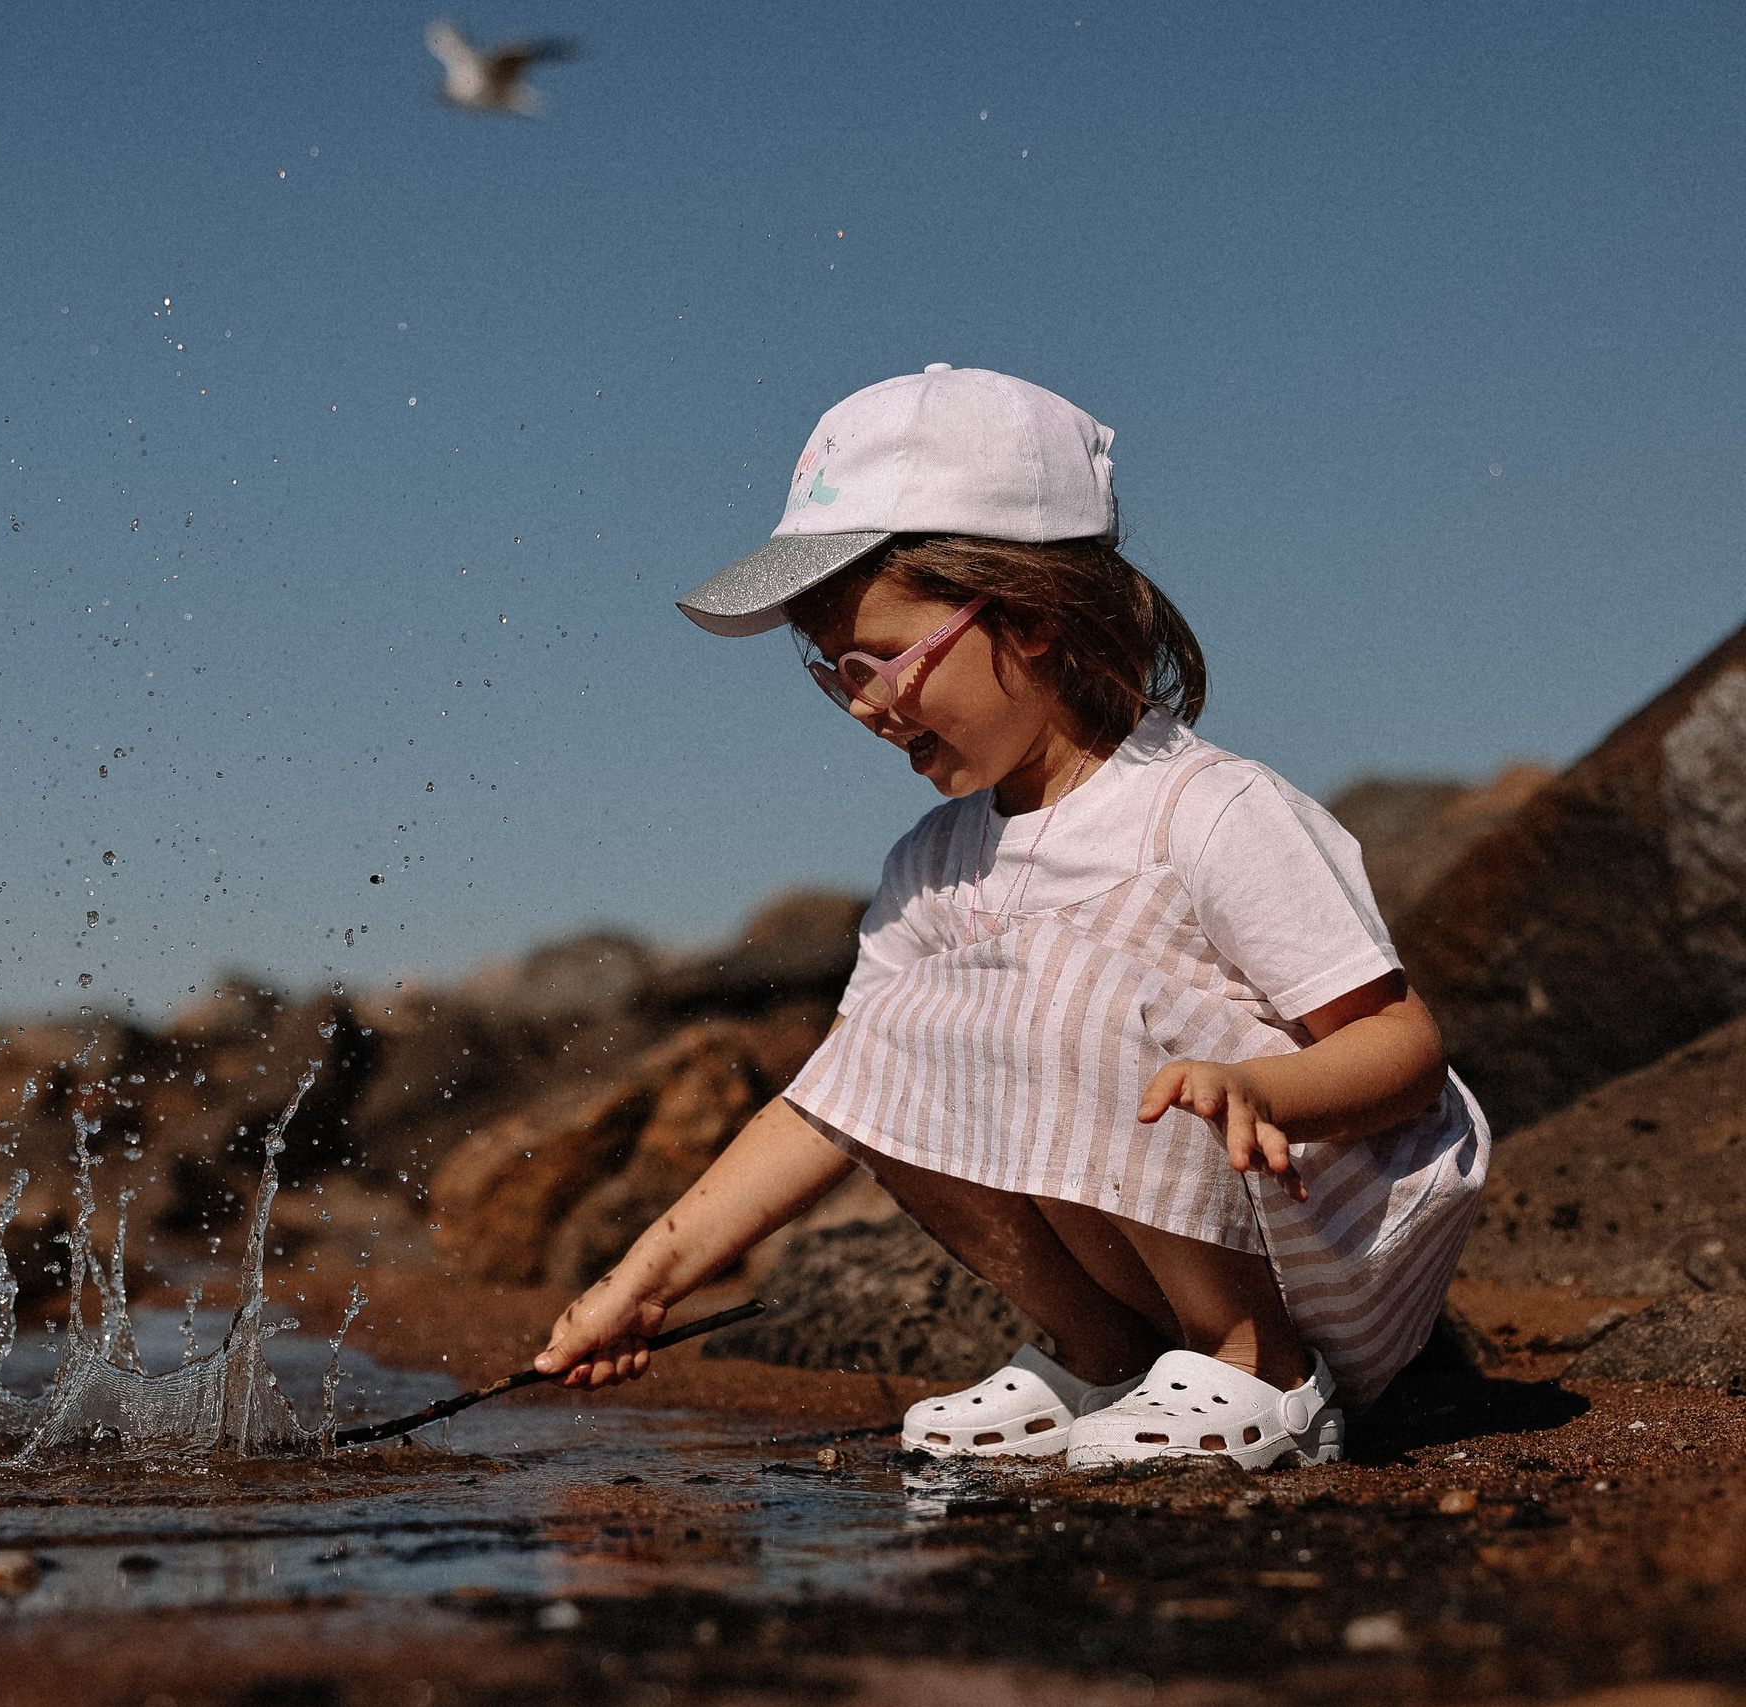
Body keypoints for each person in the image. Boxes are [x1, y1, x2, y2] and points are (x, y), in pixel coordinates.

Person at [532, 365, 1487, 1469]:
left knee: (1067, 981)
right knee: (890, 1033)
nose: (861, 704)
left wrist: (1263, 1089)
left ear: (1031, 616)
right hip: (1157, 1259)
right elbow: (833, 1101)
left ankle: (1259, 1371)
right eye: (832, 672)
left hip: (1326, 1236)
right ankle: (1109, 1355)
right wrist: (640, 1282)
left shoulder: (1205, 810)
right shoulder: (931, 863)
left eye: (880, 661)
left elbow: (1404, 1048)